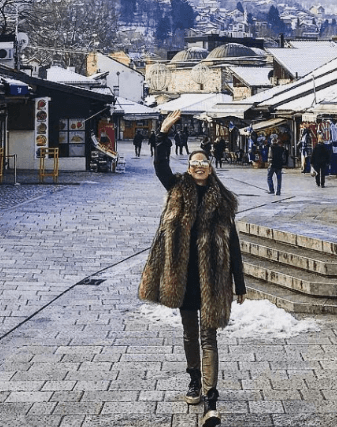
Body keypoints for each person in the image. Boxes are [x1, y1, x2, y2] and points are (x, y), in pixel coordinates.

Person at [139, 110, 246, 427]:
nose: (199, 167)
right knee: (189, 335)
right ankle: (194, 380)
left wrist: (239, 284)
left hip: (212, 278)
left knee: (208, 337)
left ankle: (211, 401)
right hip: (183, 276)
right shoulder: (176, 189)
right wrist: (162, 133)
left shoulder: (224, 202)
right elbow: (160, 166)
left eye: (204, 163)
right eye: (194, 163)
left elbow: (234, 244)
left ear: (210, 168)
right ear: (189, 168)